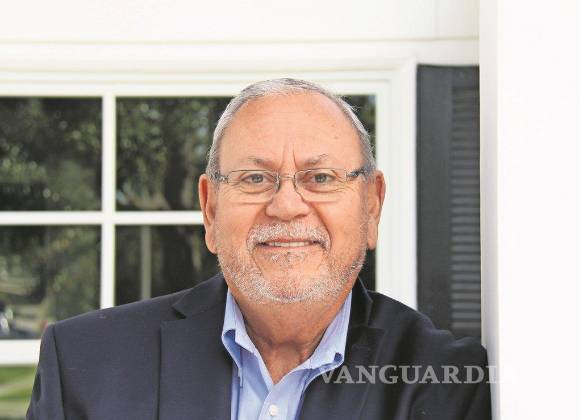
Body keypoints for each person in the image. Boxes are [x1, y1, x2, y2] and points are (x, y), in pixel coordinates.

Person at [27, 78, 491, 420]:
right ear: (210, 209)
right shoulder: (84, 364)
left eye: (320, 177)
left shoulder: (445, 380)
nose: (286, 206)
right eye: (255, 178)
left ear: (371, 207)